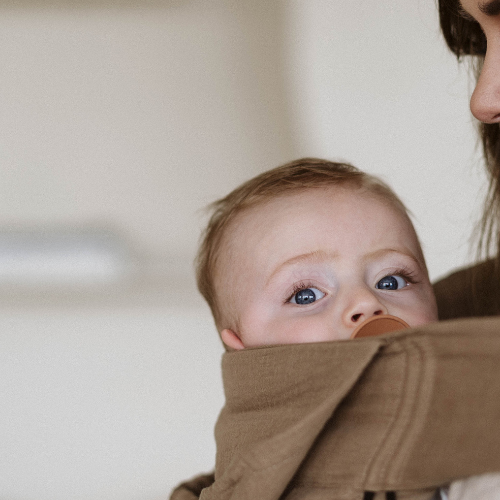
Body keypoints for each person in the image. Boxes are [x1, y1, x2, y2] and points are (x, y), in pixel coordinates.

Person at [170, 159, 500, 500]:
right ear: (243, 348)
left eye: (391, 280)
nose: (365, 303)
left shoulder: (470, 403)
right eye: (306, 295)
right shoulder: (253, 473)